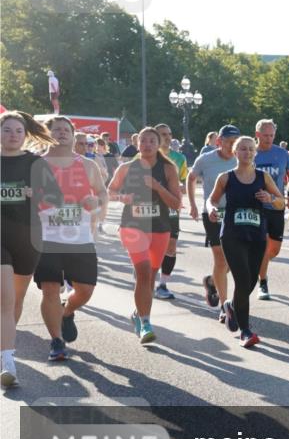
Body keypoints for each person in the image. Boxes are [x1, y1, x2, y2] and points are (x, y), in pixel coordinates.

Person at [35, 116, 108, 361]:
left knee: (85, 290)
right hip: (46, 237)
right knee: (50, 289)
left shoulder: (87, 166)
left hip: (80, 237)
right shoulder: (36, 164)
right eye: (56, 130)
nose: (62, 133)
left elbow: (101, 193)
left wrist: (97, 205)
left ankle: (67, 311)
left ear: (73, 135)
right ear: (47, 134)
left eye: (66, 130)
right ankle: (56, 341)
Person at [1, 111, 61, 388]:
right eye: (7, 130)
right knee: (4, 298)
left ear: (25, 135)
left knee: (15, 300)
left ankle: (5, 344)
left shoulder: (35, 163)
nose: (12, 135)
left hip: (28, 237)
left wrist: (34, 194)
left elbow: (55, 200)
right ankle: (7, 363)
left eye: (17, 131)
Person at [209, 136, 285, 348]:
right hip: (232, 234)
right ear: (235, 152)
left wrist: (270, 199)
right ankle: (245, 330)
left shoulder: (263, 178)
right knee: (242, 280)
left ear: (255, 153)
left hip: (257, 235)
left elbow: (281, 202)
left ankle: (231, 305)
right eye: (243, 149)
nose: (247, 153)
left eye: (251, 149)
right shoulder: (226, 178)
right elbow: (212, 199)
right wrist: (211, 209)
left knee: (250, 282)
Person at [108, 127, 182, 343]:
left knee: (150, 276)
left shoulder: (168, 168)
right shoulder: (126, 168)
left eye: (152, 141)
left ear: (158, 144)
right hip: (132, 225)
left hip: (159, 226)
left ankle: (138, 313)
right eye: (143, 141)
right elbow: (109, 191)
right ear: (137, 143)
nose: (147, 144)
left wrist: (158, 187)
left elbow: (176, 204)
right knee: (142, 272)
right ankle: (146, 322)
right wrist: (122, 197)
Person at [188, 125, 239, 321]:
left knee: (232, 260)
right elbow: (191, 178)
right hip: (214, 213)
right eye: (229, 142)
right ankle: (225, 306)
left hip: (237, 214)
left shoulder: (241, 158)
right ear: (219, 141)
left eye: (235, 141)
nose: (232, 146)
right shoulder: (206, 159)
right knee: (221, 258)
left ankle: (211, 281)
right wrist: (193, 204)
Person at [253, 119, 289, 300]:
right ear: (257, 135)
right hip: (256, 207)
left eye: (272, 135)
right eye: (265, 135)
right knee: (262, 247)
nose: (269, 139)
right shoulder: (250, 153)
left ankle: (259, 266)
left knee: (274, 250)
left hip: (277, 206)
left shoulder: (282, 153)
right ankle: (263, 283)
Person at [152, 123, 189, 300]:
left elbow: (184, 182)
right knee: (151, 246)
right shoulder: (144, 155)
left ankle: (163, 284)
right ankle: (146, 276)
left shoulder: (179, 158)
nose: (167, 137)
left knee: (171, 246)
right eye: (163, 134)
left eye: (169, 133)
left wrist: (180, 188)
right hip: (150, 208)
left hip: (171, 208)